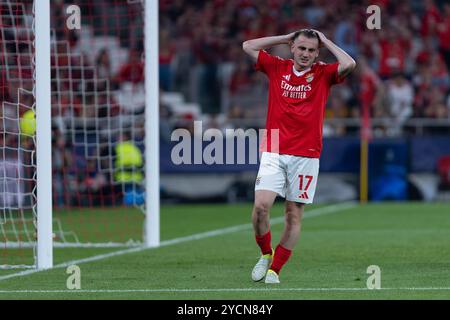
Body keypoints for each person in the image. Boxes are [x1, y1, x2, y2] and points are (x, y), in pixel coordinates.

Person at [242, 29, 356, 284]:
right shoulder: (276, 67)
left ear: (317, 53)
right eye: (301, 48)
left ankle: (275, 270)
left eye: (311, 50)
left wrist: (326, 41)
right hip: (274, 147)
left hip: (306, 153)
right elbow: (248, 45)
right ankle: (265, 254)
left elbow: (349, 63)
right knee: (261, 208)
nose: (306, 54)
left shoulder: (323, 74)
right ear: (293, 49)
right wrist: (284, 38)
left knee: (293, 215)